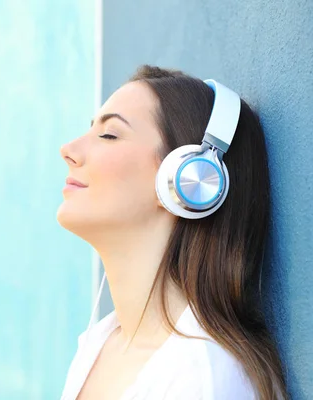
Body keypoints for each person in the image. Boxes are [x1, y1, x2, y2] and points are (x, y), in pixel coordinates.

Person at [56, 65, 287, 400]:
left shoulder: (205, 380)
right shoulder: (100, 343)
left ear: (192, 180)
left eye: (109, 135)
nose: (68, 150)